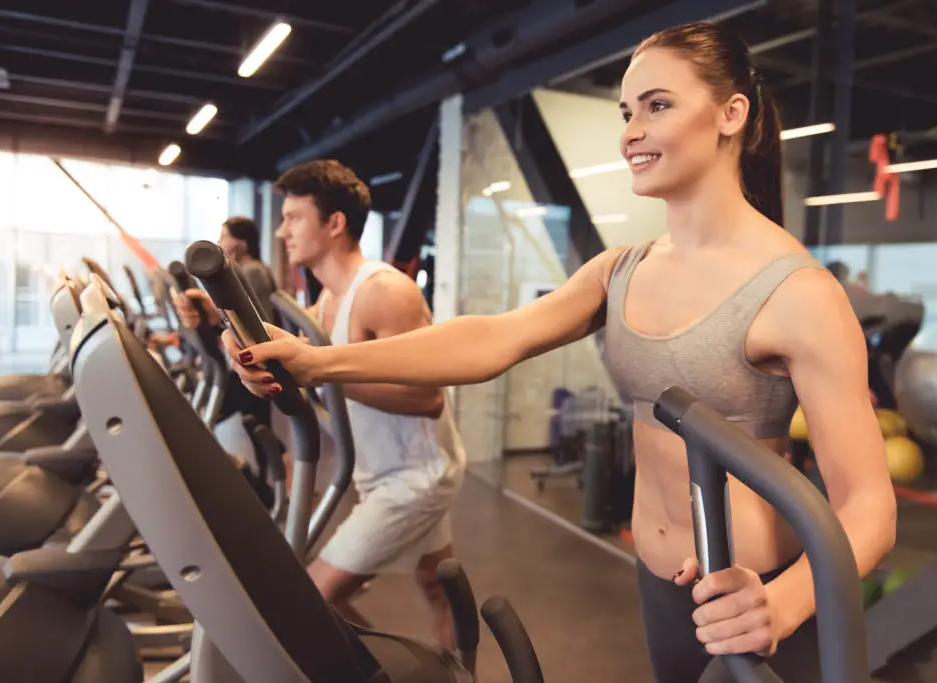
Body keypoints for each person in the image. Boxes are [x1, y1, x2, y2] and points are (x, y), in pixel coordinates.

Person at [219, 22, 895, 683]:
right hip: (662, 586)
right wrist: (313, 361)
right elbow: (494, 336)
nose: (631, 130)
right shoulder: (620, 269)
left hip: (757, 592)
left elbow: (869, 506)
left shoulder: (797, 292)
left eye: (657, 106)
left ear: (731, 113)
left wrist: (781, 602)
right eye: (627, 111)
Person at [182, 160, 467, 653]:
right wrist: (214, 317)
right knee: (439, 590)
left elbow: (427, 396)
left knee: (309, 600)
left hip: (416, 479)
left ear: (334, 224)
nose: (280, 230)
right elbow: (303, 352)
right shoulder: (329, 299)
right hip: (383, 471)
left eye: (294, 217)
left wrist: (317, 371)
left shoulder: (384, 292)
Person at [174, 217, 279, 431]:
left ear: (243, 242)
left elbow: (254, 320)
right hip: (252, 356)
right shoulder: (247, 270)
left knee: (254, 422)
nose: (219, 242)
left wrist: (216, 315)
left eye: (224, 236)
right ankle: (279, 460)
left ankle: (281, 461)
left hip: (260, 356)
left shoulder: (252, 271)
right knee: (255, 425)